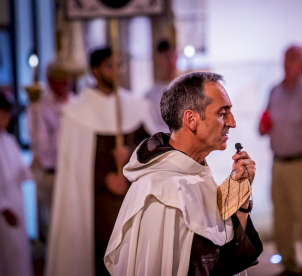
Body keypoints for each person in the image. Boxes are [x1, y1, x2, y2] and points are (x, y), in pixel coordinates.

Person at [104, 72, 263, 276]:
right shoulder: (161, 192)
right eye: (222, 113)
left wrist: (239, 198)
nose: (232, 123)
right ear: (191, 119)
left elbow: (226, 256)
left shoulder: (196, 172)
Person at [46, 48, 156, 276]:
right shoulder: (77, 112)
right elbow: (74, 166)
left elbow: (153, 146)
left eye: (119, 65)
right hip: (97, 202)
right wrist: (105, 178)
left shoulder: (134, 106)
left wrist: (131, 152)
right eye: (109, 66)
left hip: (133, 197)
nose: (116, 72)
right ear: (95, 71)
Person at [259, 45, 302, 276]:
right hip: (278, 164)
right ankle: (288, 264)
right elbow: (264, 122)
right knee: (281, 218)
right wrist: (263, 126)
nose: (287, 64)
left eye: (293, 59)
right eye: (285, 58)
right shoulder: (274, 91)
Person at [29, 62, 74, 243]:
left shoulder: (76, 102)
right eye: (59, 81)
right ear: (49, 80)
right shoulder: (39, 106)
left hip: (72, 172)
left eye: (67, 81)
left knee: (72, 224)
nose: (64, 85)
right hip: (51, 173)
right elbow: (41, 143)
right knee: (53, 226)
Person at [0, 91, 33, 276]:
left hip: (16, 203)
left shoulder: (10, 140)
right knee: (7, 256)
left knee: (19, 252)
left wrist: (32, 166)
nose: (5, 119)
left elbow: (21, 172)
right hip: (4, 211)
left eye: (7, 115)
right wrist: (4, 208)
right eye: (2, 114)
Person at [144, 39, 178, 132]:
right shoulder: (149, 97)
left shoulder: (188, 90)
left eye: (172, 56)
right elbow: (152, 129)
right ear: (158, 61)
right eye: (166, 58)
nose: (170, 62)